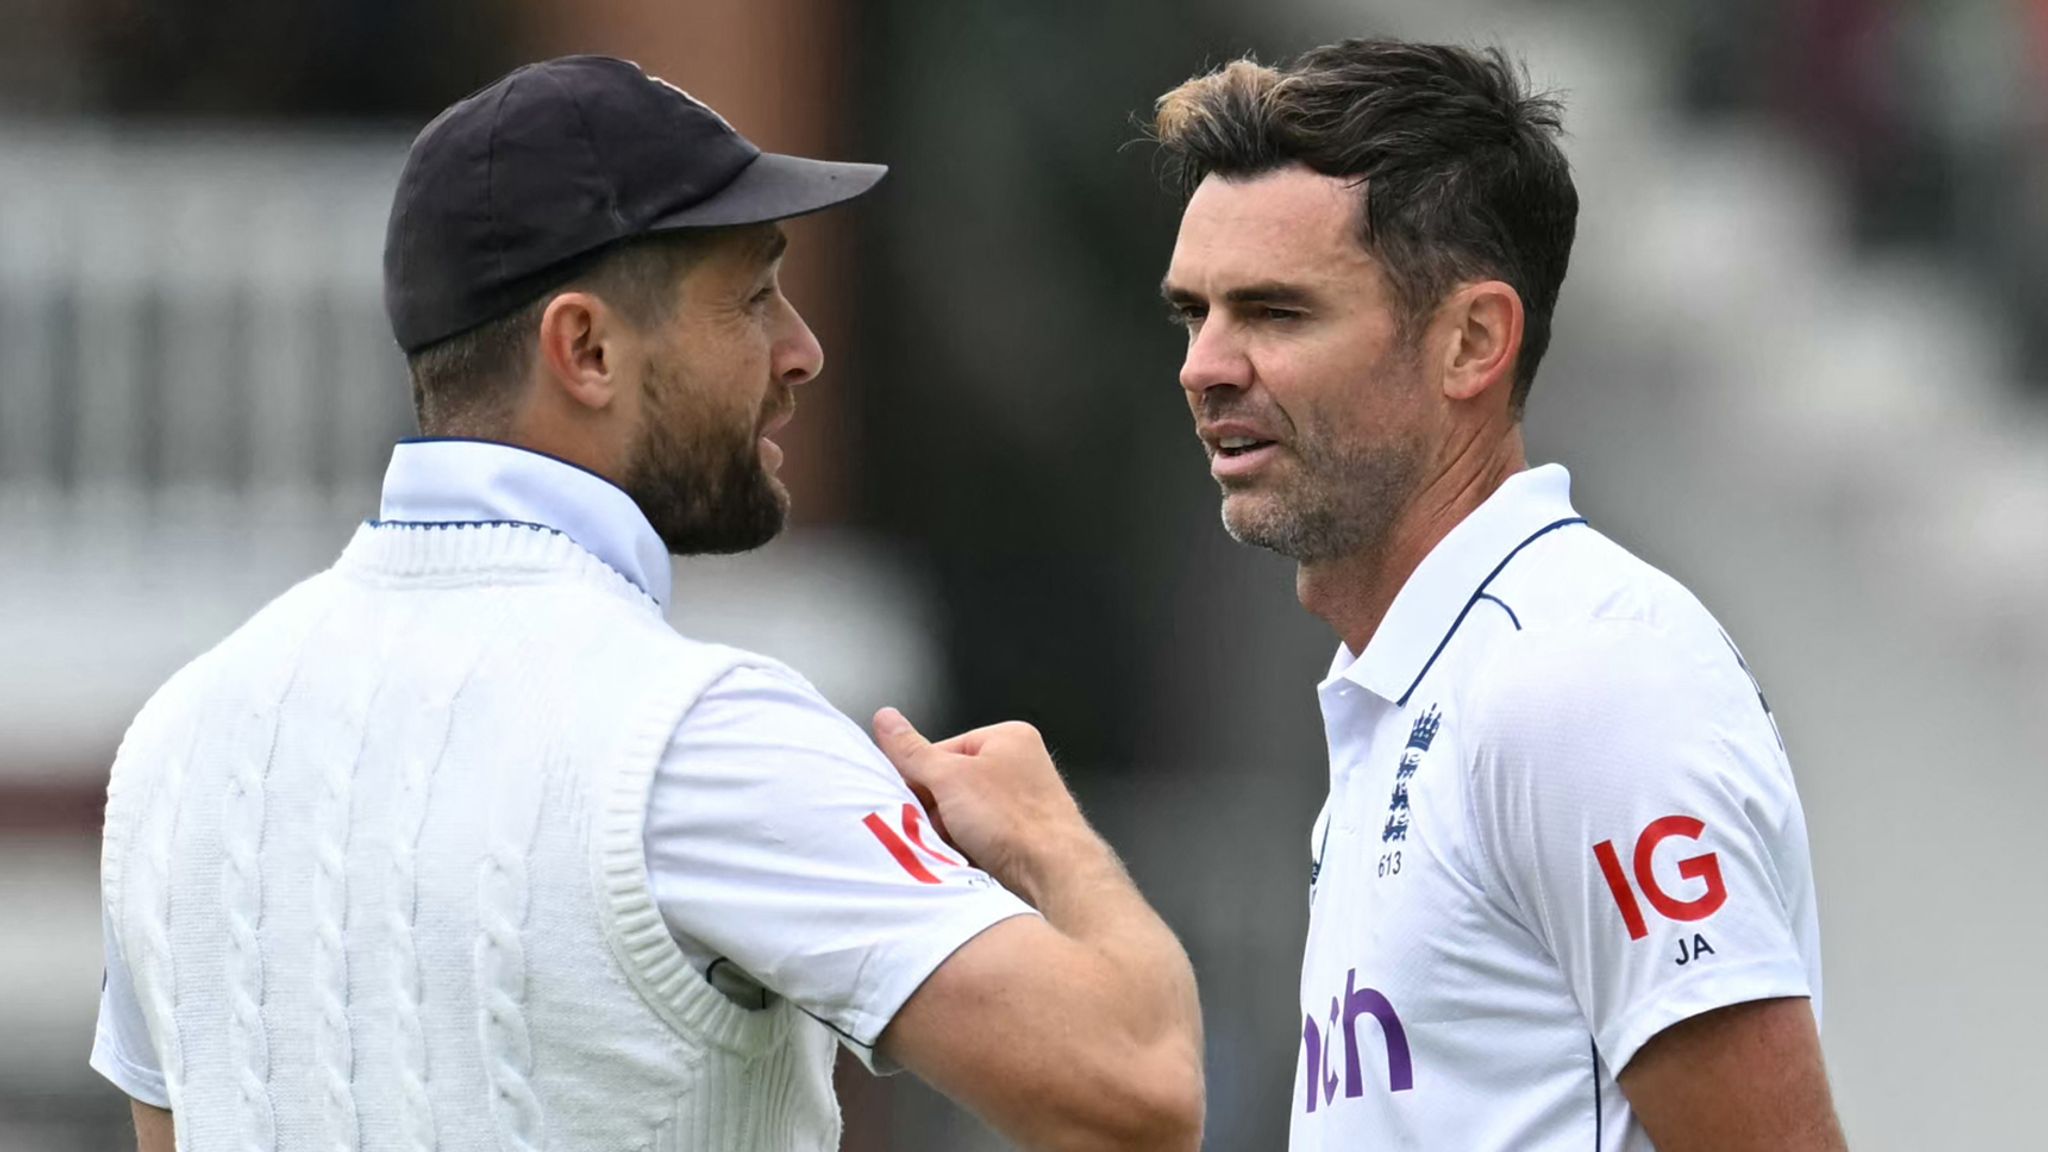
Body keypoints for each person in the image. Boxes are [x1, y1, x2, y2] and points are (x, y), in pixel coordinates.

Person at [89, 55, 1203, 1152]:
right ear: (584, 348)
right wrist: (1050, 838)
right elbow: (1138, 1089)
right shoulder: (698, 735)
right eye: (754, 295)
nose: (800, 350)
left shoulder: (175, 746)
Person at [1140, 37, 1843, 1150]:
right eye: (1195, 314)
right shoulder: (1422, 686)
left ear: (1471, 341)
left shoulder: (1579, 673)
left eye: (1274, 313)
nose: (1204, 366)